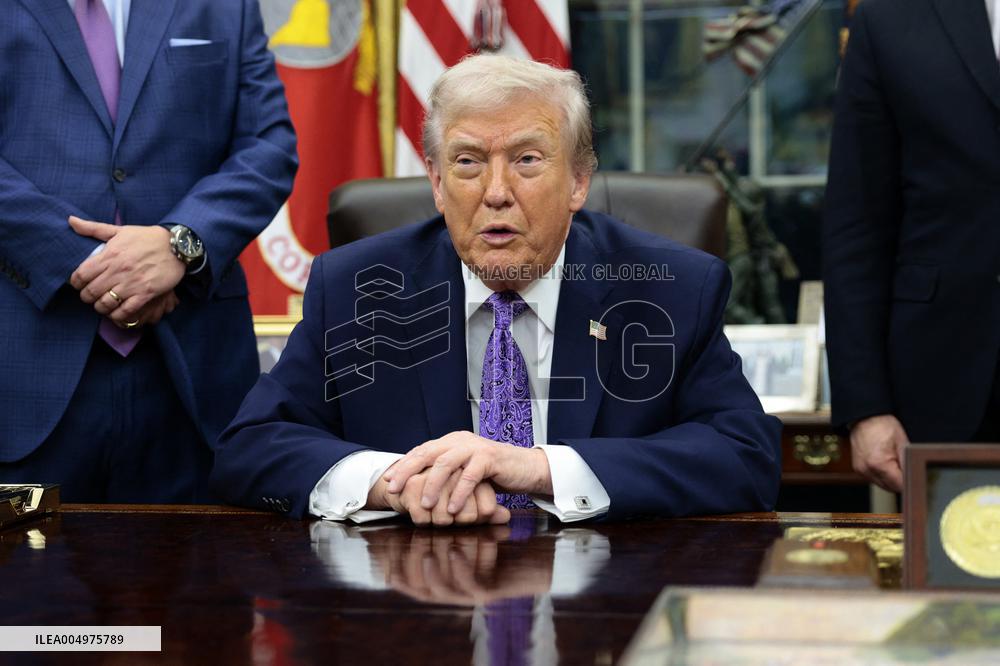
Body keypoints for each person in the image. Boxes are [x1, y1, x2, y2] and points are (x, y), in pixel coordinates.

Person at [212, 54, 780, 525]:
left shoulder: (672, 288)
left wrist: (539, 469)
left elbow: (744, 459)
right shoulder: (359, 289)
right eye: (467, 162)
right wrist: (390, 482)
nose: (496, 192)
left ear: (579, 181)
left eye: (527, 160)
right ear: (436, 182)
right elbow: (251, 448)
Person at [0, 0, 297, 502]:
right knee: (24, 578)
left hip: (195, 374)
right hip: (25, 365)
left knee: (207, 575)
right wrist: (97, 264)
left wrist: (181, 244)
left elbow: (268, 146)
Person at [823, 0, 1000, 493]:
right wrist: (865, 405)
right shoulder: (888, 17)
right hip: (947, 386)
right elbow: (857, 222)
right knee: (949, 566)